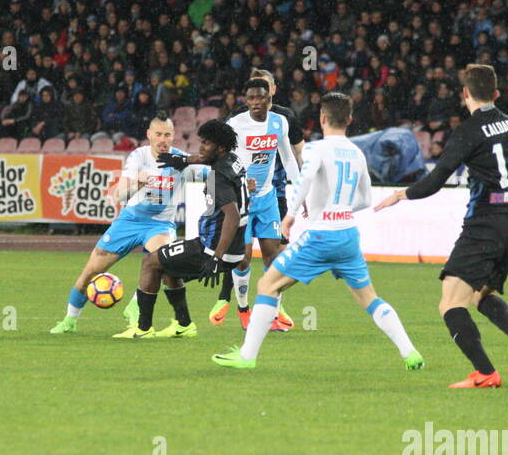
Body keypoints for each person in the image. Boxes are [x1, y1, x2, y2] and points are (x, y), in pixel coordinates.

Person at [373, 64, 508, 389]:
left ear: (465, 94)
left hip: (484, 226)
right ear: (495, 94)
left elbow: (436, 180)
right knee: (480, 296)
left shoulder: (467, 131)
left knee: (450, 303)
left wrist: (401, 194)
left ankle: (486, 372)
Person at [213, 92, 423, 371]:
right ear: (349, 119)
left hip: (321, 236)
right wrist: (339, 208)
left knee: (267, 285)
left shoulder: (315, 149)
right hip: (347, 235)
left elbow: (304, 179)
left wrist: (290, 216)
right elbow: (365, 200)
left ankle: (247, 356)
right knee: (369, 297)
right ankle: (410, 352)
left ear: (322, 118)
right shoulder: (357, 153)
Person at [49, 113, 192, 337]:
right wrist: (139, 182)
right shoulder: (139, 157)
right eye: (158, 134)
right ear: (149, 135)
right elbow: (119, 194)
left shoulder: (182, 159)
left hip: (160, 224)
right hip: (130, 221)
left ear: (173, 136)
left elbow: (209, 172)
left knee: (162, 263)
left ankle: (141, 310)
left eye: (167, 134)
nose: (163, 139)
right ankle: (69, 320)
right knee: (91, 271)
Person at [122, 120, 247, 339]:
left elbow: (233, 216)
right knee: (169, 267)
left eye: (207, 143)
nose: (201, 147)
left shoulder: (218, 178)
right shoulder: (232, 160)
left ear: (220, 147)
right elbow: (204, 159)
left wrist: (216, 257)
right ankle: (184, 324)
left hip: (213, 248)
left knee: (150, 262)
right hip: (232, 249)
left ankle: (143, 329)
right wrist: (182, 160)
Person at [210, 68, 304, 329]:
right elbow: (222, 159)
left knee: (274, 258)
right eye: (251, 98)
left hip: (268, 198)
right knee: (243, 257)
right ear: (246, 99)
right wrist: (239, 178)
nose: (256, 102)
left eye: (261, 97)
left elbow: (287, 157)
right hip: (242, 201)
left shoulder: (280, 122)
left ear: (269, 97)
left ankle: (272, 313)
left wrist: (300, 189)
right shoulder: (236, 124)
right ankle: (243, 310)